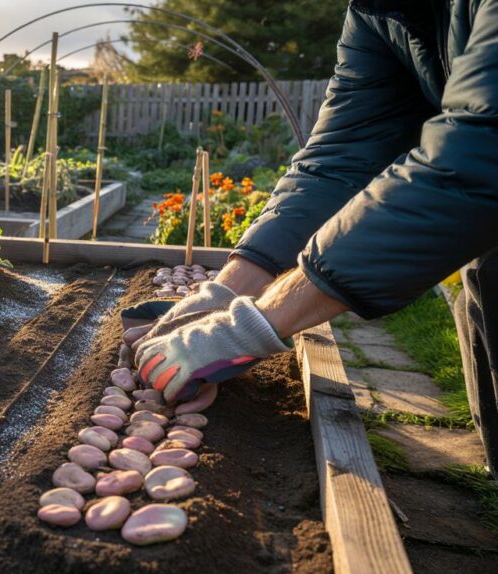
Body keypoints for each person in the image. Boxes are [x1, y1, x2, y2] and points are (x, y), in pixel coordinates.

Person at [131, 0, 498, 474]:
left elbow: (480, 152)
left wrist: (254, 322)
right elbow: (341, 155)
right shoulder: (378, 10)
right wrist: (226, 291)